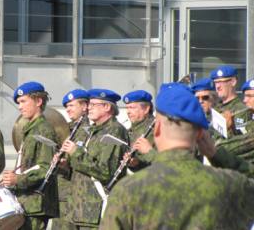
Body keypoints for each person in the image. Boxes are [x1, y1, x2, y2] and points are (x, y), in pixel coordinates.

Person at [101, 83, 254, 230]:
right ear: (201, 134)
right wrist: (215, 154)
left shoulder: (128, 190)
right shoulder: (230, 185)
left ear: (157, 129)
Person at [61, 88, 128, 229]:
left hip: (97, 208)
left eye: (93, 105)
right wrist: (65, 164)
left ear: (107, 107)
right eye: (89, 105)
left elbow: (105, 171)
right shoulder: (93, 131)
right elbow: (83, 167)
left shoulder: (115, 131)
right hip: (80, 209)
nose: (89, 108)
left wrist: (76, 153)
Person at [1, 81, 59, 230]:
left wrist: (17, 179)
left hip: (36, 204)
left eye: (23, 101)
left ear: (38, 101)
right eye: (19, 103)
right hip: (26, 202)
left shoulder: (44, 130)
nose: (20, 106)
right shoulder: (31, 130)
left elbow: (47, 168)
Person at [52, 89, 90, 230]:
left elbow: (89, 161)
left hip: (79, 192)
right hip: (63, 191)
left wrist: (69, 162)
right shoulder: (65, 128)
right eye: (66, 106)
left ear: (85, 106)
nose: (68, 109)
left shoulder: (90, 130)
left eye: (71, 105)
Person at [210, 65, 250, 136]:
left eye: (221, 82)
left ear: (233, 82)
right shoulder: (215, 108)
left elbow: (243, 139)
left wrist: (230, 127)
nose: (218, 86)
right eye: (216, 82)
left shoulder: (241, 109)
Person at [122, 90, 155, 171]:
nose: (128, 112)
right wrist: (134, 164)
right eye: (127, 108)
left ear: (146, 109)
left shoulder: (155, 128)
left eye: (132, 107)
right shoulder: (131, 130)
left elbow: (164, 161)